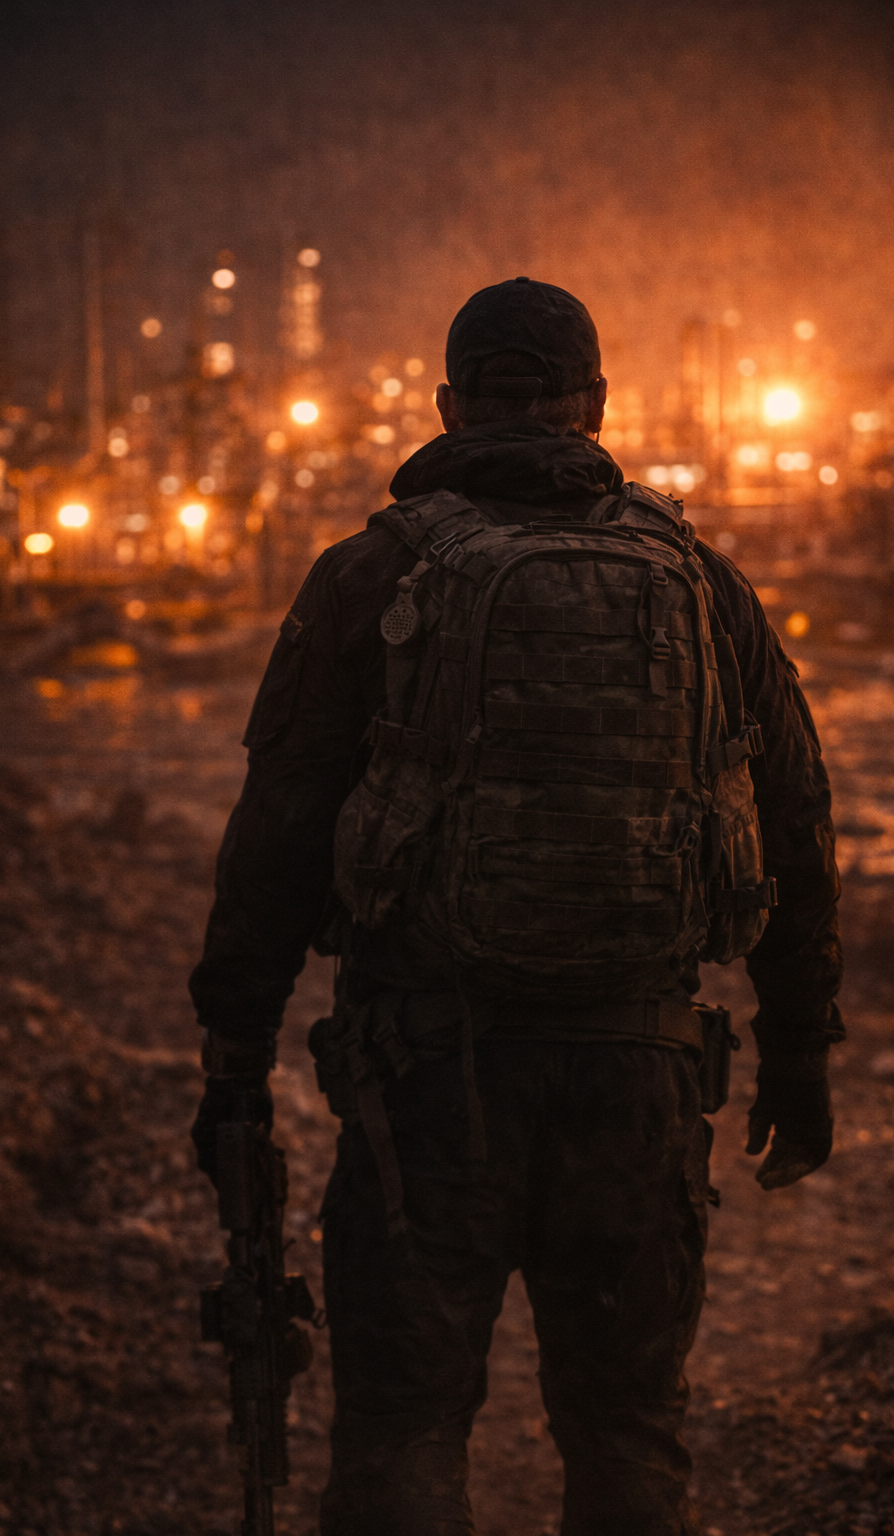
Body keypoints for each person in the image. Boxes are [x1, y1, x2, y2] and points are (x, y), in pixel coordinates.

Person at [189, 278, 842, 1536]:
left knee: (406, 1430)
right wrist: (799, 1051)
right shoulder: (703, 585)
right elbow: (799, 823)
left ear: (448, 402)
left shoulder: (371, 575)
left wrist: (232, 1060)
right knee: (626, 1432)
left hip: (428, 1082)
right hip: (639, 1072)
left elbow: (273, 838)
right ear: (594, 407)